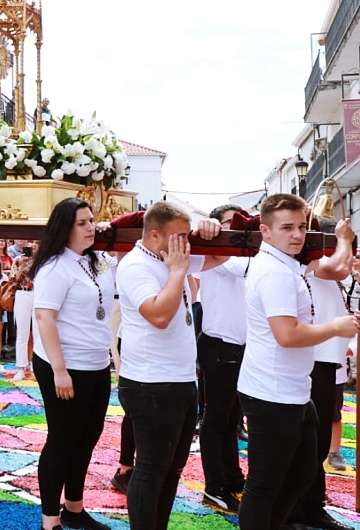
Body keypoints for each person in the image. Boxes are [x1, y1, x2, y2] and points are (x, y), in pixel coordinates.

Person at [237, 195, 360, 530]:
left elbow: (335, 268)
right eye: (286, 228)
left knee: (303, 473)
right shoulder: (275, 272)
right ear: (265, 231)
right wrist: (336, 327)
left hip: (292, 388)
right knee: (265, 485)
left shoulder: (288, 264)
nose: (296, 235)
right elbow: (287, 334)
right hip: (271, 390)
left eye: (299, 227)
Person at [115, 202, 223, 530]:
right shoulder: (136, 265)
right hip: (151, 384)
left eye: (188, 236)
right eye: (179, 235)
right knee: (149, 469)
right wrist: (178, 272)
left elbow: (220, 258)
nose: (185, 242)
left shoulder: (174, 254)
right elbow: (159, 315)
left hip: (180, 380)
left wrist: (211, 230)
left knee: (172, 469)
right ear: (155, 234)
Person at [30, 198, 115, 530]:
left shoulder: (98, 261)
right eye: (82, 223)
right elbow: (44, 318)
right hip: (65, 365)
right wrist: (59, 370)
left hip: (96, 363)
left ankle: (74, 509)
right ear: (64, 227)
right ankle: (51, 519)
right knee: (63, 439)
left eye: (92, 221)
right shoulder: (54, 267)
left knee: (88, 436)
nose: (90, 227)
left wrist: (111, 231)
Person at [195, 205, 250, 512]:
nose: (238, 228)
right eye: (231, 223)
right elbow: (243, 268)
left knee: (232, 420)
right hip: (220, 346)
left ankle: (232, 477)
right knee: (215, 420)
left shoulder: (243, 253)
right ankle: (213, 486)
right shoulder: (220, 254)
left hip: (242, 346)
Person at [10, 245, 36, 380]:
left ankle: (36, 365)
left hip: (38, 294)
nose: (33, 247)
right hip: (22, 294)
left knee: (38, 333)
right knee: (22, 333)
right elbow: (13, 279)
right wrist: (22, 265)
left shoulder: (43, 260)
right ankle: (20, 367)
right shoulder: (18, 260)